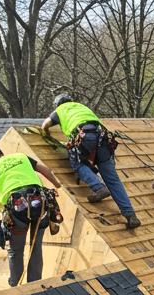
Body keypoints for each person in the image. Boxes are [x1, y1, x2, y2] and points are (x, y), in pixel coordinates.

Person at [40, 93, 141, 229]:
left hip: (84, 138)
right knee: (113, 180)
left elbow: (45, 125)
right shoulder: (82, 107)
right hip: (103, 139)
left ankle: (99, 187)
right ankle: (131, 216)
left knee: (78, 164)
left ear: (58, 105)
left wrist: (46, 135)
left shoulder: (60, 110)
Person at [0, 145, 63, 287]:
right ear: (3, 154)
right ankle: (34, 285)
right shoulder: (20, 157)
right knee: (35, 246)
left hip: (18, 208)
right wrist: (57, 184)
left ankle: (15, 284)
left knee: (16, 249)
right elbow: (45, 170)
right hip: (40, 202)